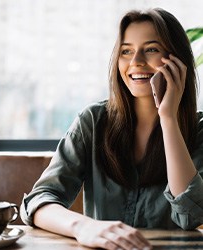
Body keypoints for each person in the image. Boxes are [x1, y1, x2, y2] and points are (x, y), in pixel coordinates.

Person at [20, 8, 203, 250]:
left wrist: (168, 117)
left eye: (151, 49)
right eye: (126, 51)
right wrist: (83, 227)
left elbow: (192, 216)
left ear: (177, 61)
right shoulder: (93, 122)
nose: (136, 61)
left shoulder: (199, 130)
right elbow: (38, 201)